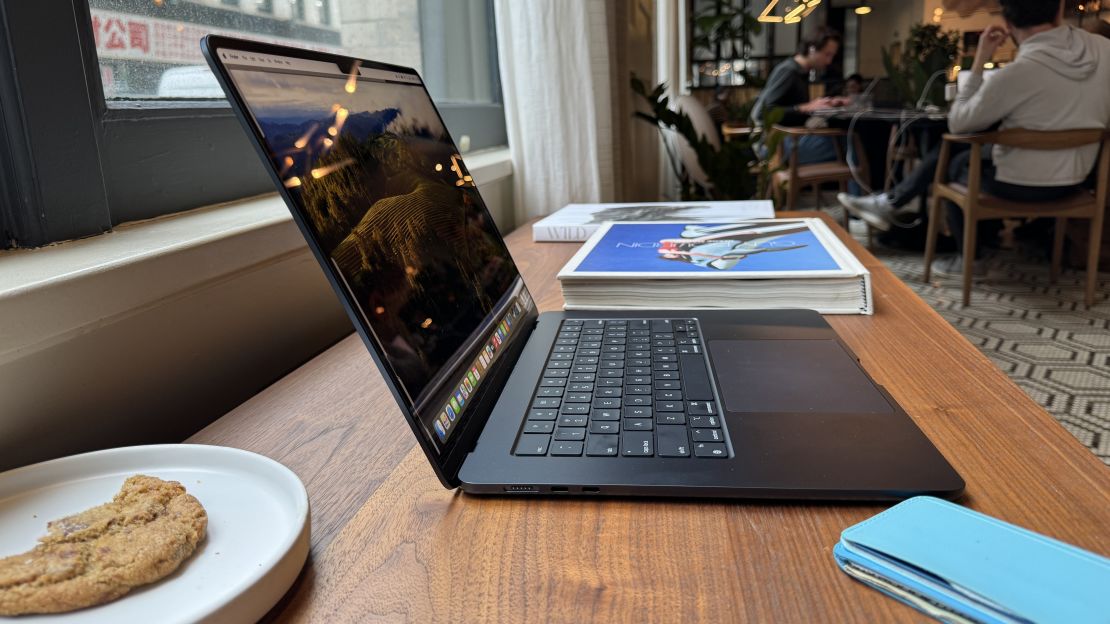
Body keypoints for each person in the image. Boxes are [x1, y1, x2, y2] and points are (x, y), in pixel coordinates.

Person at [839, 0, 1110, 274]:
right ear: (1060, 9)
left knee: (953, 160)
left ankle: (970, 257)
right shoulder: (1104, 50)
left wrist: (980, 60)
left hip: (1020, 187)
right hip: (1079, 181)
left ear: (1007, 22)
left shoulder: (1014, 74)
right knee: (967, 156)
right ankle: (891, 202)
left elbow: (959, 123)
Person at [750, 28, 850, 165]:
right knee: (849, 144)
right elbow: (762, 113)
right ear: (812, 49)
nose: (829, 61)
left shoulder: (800, 72)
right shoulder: (788, 71)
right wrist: (804, 108)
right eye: (827, 55)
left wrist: (827, 103)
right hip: (772, 146)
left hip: (783, 140)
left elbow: (791, 109)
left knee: (846, 141)